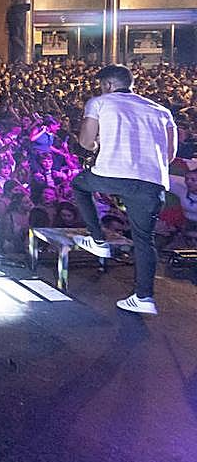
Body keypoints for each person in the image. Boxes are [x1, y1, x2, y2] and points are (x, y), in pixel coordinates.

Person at [73, 64, 177, 315]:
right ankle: (144, 297)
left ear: (108, 85)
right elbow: (170, 155)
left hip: (112, 174)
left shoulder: (100, 102)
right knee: (144, 239)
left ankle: (97, 239)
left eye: (102, 85)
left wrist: (99, 143)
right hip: (152, 183)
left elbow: (86, 143)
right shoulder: (162, 111)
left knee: (79, 184)